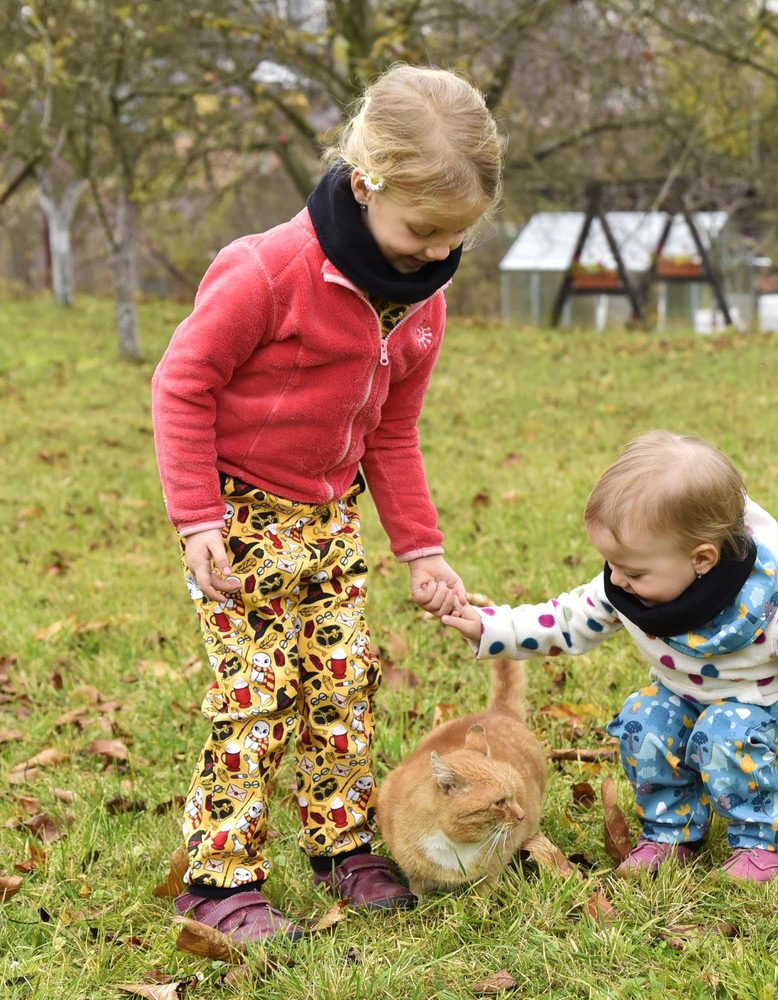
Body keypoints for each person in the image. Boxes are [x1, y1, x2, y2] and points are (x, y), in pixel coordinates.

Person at [151, 64, 503, 942]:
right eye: (423, 231)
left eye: (454, 238)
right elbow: (182, 384)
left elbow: (392, 433)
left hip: (328, 522)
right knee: (257, 696)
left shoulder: (422, 303)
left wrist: (422, 550)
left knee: (344, 684)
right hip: (236, 525)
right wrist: (197, 520)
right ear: (364, 184)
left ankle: (340, 846)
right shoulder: (269, 272)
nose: (436, 253)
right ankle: (217, 878)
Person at [431, 431, 778, 883]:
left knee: (725, 732)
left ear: (702, 559)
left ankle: (763, 838)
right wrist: (488, 626)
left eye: (633, 569)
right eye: (612, 565)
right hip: (689, 694)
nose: (618, 579)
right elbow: (566, 621)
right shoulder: (629, 586)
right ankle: (671, 830)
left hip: (773, 705)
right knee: (644, 719)